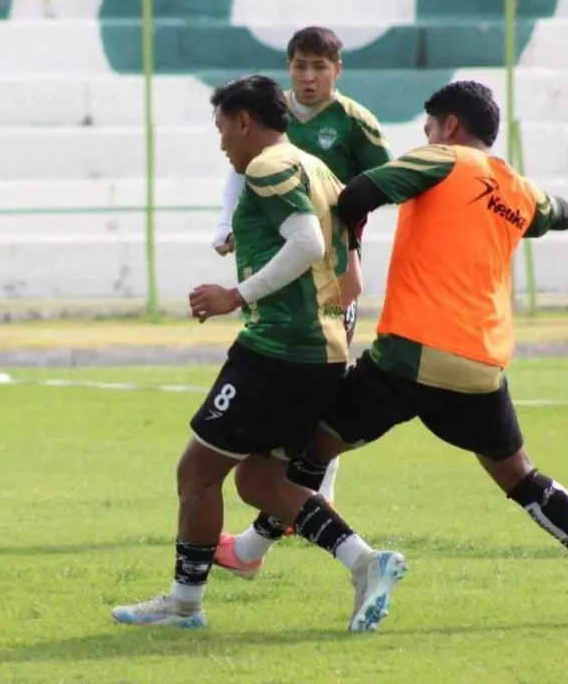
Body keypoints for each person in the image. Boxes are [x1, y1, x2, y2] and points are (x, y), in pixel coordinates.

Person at [215, 80, 568, 624]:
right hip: (481, 365)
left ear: (448, 126)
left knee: (310, 447)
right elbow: (557, 211)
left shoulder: (440, 160)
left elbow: (357, 194)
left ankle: (264, 555)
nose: (424, 136)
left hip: (410, 354)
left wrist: (331, 241)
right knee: (522, 477)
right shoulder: (517, 188)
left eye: (428, 127)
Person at [111, 74, 407, 632]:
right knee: (260, 483)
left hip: (276, 349)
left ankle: (183, 604)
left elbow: (307, 243)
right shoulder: (315, 166)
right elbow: (336, 254)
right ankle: (366, 562)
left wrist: (234, 295)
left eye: (223, 127)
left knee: (197, 471)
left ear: (244, 121)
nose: (222, 141)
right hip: (321, 350)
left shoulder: (268, 166)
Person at [212, 26, 392, 510]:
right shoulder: (271, 115)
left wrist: (349, 242)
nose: (309, 77)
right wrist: (228, 226)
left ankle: (317, 491)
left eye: (319, 66)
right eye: (300, 66)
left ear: (337, 70)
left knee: (323, 373)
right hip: (281, 271)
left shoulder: (356, 122)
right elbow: (238, 174)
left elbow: (381, 185)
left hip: (330, 267)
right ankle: (290, 495)